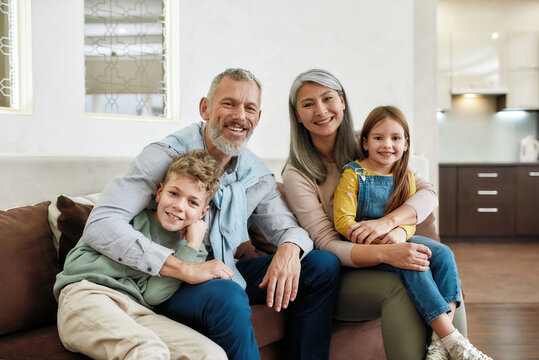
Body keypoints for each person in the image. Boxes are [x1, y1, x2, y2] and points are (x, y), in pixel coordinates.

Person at [82, 68, 341, 360]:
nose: (239, 116)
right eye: (228, 103)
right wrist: (184, 269)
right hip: (165, 282)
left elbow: (288, 229)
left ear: (258, 118)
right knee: (226, 293)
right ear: (205, 108)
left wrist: (290, 249)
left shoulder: (255, 175)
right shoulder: (165, 157)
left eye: (249, 108)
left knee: (322, 265)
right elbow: (102, 224)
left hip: (220, 268)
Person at [282, 69, 467, 360]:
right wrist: (388, 254)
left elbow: (427, 192)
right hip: (343, 271)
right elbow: (326, 244)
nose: (320, 110)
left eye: (328, 98)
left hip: (388, 242)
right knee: (403, 282)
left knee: (439, 259)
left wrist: (392, 224)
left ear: (342, 101)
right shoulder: (297, 174)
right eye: (308, 104)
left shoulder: (371, 141)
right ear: (297, 115)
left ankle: (456, 348)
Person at [333, 106, 492, 360]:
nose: (387, 145)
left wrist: (399, 233)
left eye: (396, 138)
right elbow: (342, 222)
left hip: (397, 238)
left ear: (406, 144)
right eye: (378, 138)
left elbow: (411, 219)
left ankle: (440, 343)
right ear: (365, 142)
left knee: (443, 254)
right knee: (412, 261)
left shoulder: (405, 176)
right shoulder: (354, 174)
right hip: (367, 250)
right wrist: (381, 242)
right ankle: (453, 340)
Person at [54, 149, 227, 360]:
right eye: (174, 193)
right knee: (147, 350)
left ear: (202, 213)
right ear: (159, 192)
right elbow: (76, 265)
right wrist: (156, 262)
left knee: (211, 355)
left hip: (138, 311)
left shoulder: (194, 251)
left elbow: (151, 295)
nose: (179, 206)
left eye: (192, 202)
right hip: (88, 296)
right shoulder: (126, 218)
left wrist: (191, 247)